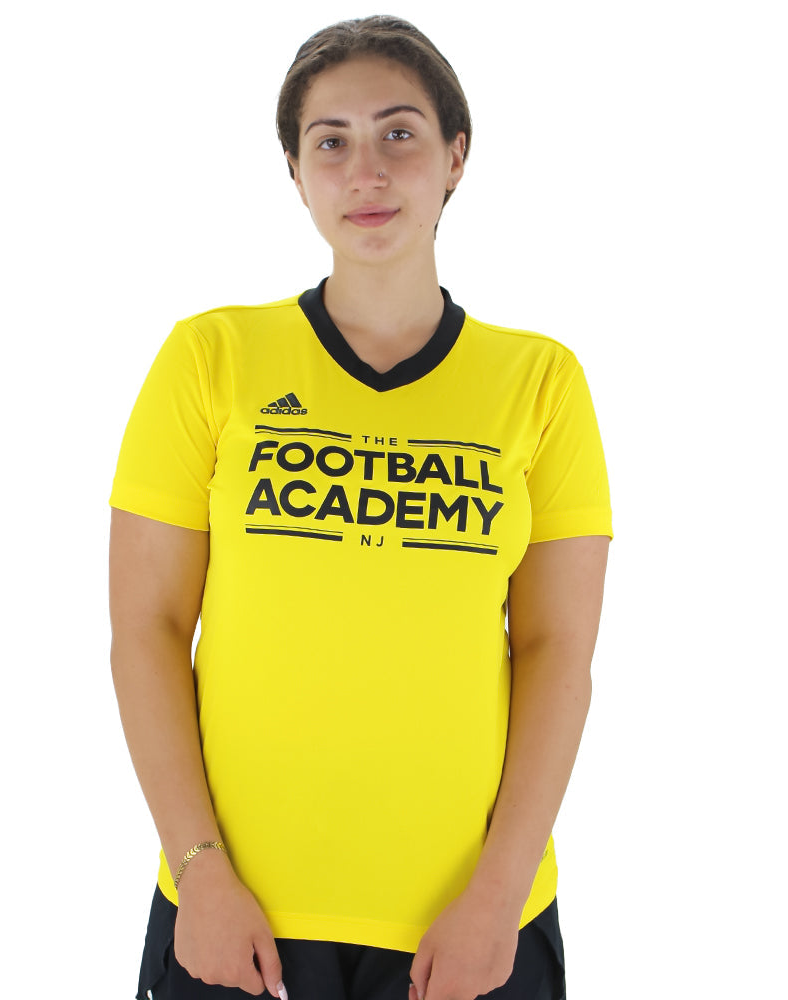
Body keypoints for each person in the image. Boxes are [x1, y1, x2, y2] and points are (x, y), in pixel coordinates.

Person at [109, 14, 611, 1000]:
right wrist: (199, 872)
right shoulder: (210, 358)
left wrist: (499, 894)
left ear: (456, 156)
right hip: (236, 920)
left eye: (398, 133)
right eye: (330, 142)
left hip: (466, 927)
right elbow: (148, 630)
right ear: (296, 173)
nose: (365, 171)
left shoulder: (541, 383)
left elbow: (558, 652)